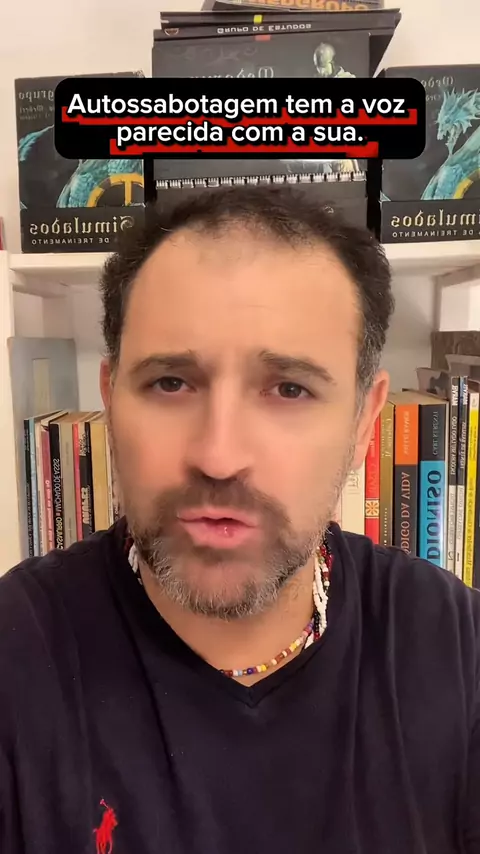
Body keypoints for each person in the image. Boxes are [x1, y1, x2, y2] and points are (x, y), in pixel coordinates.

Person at [0, 185, 478, 854]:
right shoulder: (18, 657)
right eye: (171, 382)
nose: (219, 457)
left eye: (289, 388)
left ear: (364, 422)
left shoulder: (456, 651)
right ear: (110, 400)